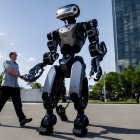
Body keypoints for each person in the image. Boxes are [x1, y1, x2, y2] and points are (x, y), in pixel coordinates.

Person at [0, 52, 32, 126]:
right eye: (15, 54)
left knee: (18, 104)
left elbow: (18, 74)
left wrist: (26, 79)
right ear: (11, 55)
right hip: (7, 86)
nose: (16, 56)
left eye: (17, 55)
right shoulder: (7, 62)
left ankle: (22, 119)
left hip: (15, 86)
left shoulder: (17, 65)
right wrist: (20, 76)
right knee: (1, 103)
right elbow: (10, 71)